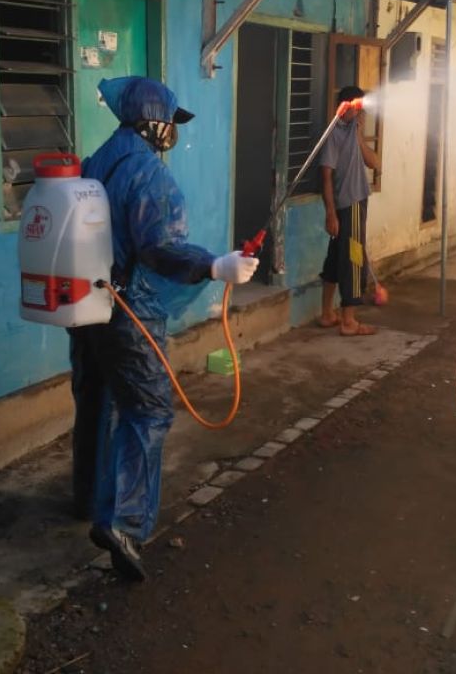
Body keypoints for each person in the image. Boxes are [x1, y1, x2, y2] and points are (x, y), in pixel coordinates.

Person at [67, 76, 259, 581]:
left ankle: (86, 498)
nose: (174, 131)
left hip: (86, 308)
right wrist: (217, 265)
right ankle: (124, 523)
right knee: (148, 411)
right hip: (129, 313)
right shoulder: (148, 173)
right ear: (155, 123)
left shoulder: (97, 161)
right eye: (171, 122)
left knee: (97, 402)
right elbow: (160, 247)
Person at [318, 86, 380, 336]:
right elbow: (325, 176)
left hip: (353, 205)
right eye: (359, 107)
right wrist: (330, 213)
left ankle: (326, 314)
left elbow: (375, 163)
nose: (362, 112)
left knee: (335, 260)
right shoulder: (334, 135)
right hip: (349, 206)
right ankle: (349, 321)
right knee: (354, 261)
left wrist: (359, 136)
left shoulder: (354, 135)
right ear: (348, 107)